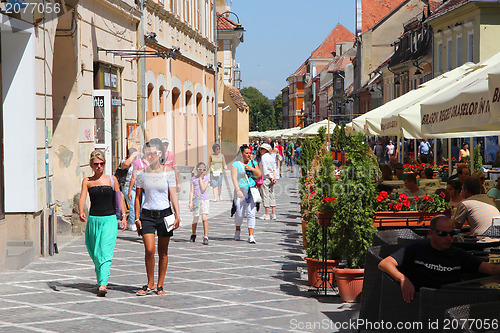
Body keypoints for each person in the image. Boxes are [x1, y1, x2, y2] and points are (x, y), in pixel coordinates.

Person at [378, 215, 500, 303]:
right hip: (421, 303)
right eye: (443, 234)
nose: (448, 238)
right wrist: (403, 279)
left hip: (451, 305)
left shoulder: (459, 254)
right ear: (431, 233)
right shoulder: (416, 249)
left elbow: (491, 269)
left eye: (452, 234)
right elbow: (385, 263)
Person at [134, 138, 180, 296]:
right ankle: (150, 282)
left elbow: (173, 195)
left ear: (160, 153)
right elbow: (138, 197)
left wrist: (177, 215)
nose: (150, 155)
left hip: (165, 214)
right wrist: (137, 218)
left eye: (153, 152)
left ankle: (160, 284)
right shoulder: (142, 174)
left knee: (163, 251)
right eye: (148, 152)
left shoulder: (169, 173)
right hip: (147, 214)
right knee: (149, 249)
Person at [78, 150, 127, 297]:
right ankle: (100, 279)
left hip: (109, 219)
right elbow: (82, 197)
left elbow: (120, 198)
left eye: (102, 163)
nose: (99, 166)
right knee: (95, 252)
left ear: (105, 164)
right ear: (91, 165)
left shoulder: (112, 179)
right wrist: (81, 211)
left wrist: (124, 216)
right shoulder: (87, 181)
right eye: (96, 164)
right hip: (94, 220)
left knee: (104, 251)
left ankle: (103, 283)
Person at [231, 144, 262, 243]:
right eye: (247, 153)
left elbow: (259, 175)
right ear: (242, 153)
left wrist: (252, 169)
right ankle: (237, 230)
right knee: (239, 214)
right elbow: (234, 178)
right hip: (240, 191)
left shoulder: (254, 163)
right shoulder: (236, 164)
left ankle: (251, 235)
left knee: (251, 213)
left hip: (251, 191)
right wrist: (237, 190)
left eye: (250, 153)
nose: (249, 155)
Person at [189, 162, 210, 245]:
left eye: (204, 169)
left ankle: (206, 236)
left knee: (204, 218)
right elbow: (191, 191)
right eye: (200, 169)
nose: (202, 171)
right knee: (195, 218)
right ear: (197, 169)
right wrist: (190, 202)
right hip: (196, 200)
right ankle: (193, 233)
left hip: (204, 200)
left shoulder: (206, 178)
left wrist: (201, 178)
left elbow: (203, 188)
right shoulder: (193, 179)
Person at [121, 148, 141, 231]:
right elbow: (125, 164)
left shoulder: (138, 163)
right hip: (126, 186)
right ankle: (131, 223)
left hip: (137, 187)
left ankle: (135, 220)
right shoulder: (124, 162)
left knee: (140, 204)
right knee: (132, 204)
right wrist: (133, 156)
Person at [258, 143, 277, 220]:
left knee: (265, 195)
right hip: (272, 178)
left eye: (261, 149)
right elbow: (274, 168)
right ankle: (273, 213)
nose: (260, 150)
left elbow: (265, 170)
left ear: (265, 150)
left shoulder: (263, 157)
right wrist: (274, 178)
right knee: (272, 195)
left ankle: (266, 214)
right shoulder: (271, 157)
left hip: (266, 178)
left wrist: (270, 177)